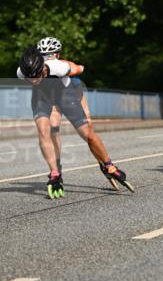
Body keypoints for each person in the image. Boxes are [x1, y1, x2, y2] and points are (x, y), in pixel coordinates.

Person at [17, 45, 133, 199]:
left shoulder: (59, 67)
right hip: (42, 98)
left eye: (38, 75)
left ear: (43, 67)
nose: (35, 80)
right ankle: (54, 173)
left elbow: (80, 68)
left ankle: (109, 165)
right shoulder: (21, 72)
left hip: (65, 96)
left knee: (88, 135)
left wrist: (73, 67)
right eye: (30, 78)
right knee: (44, 130)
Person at [36, 36, 92, 175]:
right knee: (53, 127)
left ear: (57, 55)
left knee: (88, 133)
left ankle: (103, 162)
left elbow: (79, 93)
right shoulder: (38, 69)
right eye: (42, 55)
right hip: (53, 102)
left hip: (70, 98)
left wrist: (87, 114)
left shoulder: (64, 67)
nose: (46, 58)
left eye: (49, 55)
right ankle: (57, 163)